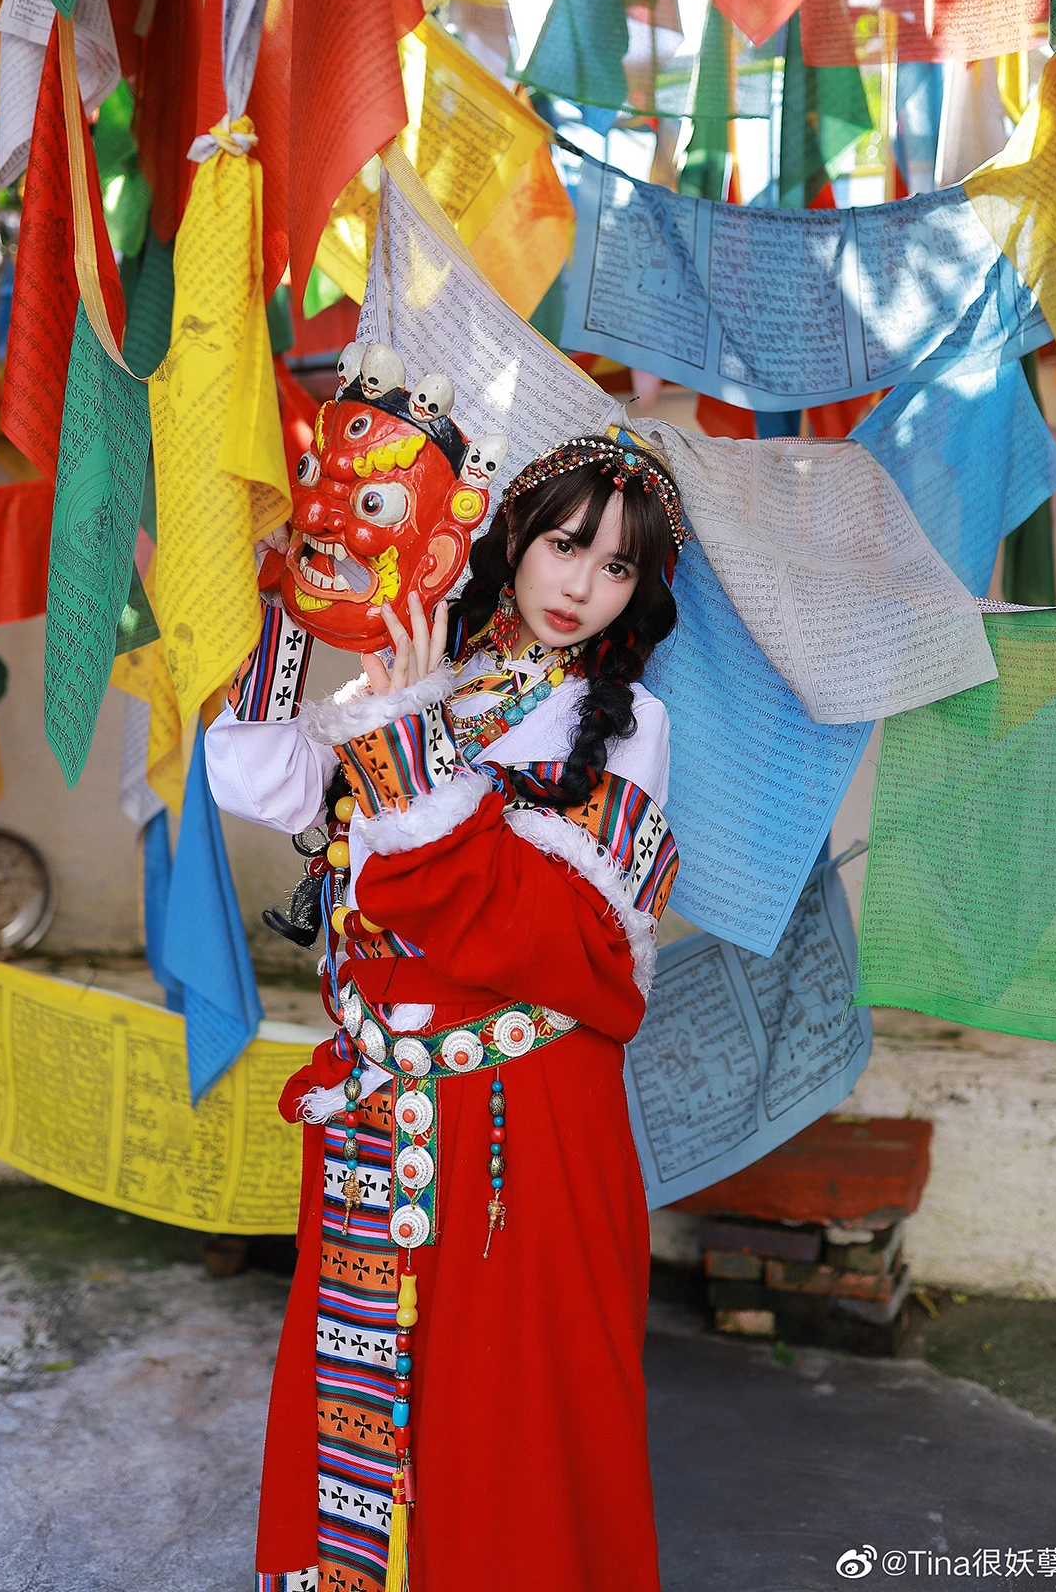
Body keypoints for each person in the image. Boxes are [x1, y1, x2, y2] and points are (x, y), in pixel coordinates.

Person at [206, 432, 690, 1592]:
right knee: (364, 1416)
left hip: (527, 1120)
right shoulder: (426, 671)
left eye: (617, 567)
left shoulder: (626, 730)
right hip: (386, 1113)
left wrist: (412, 730)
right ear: (509, 538)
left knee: (513, 1419)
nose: (580, 585)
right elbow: (260, 777)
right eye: (566, 545)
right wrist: (290, 598)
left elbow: (522, 932)